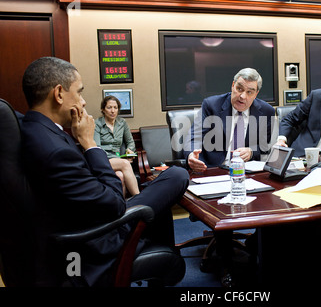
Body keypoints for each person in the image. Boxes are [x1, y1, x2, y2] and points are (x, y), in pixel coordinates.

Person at [20, 57, 190, 286]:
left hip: (90, 218)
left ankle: (156, 257)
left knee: (161, 188)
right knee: (177, 176)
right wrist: (90, 144)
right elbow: (115, 204)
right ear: (59, 94)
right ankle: (157, 258)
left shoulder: (36, 130)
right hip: (99, 236)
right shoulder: (52, 148)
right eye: (79, 93)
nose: (83, 101)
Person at [185, 67, 275, 172]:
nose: (242, 96)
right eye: (239, 89)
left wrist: (251, 152)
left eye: (249, 92)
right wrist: (191, 155)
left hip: (246, 171)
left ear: (256, 94)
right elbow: (195, 136)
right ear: (233, 85)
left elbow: (264, 146)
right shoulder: (212, 105)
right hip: (213, 170)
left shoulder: (266, 111)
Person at [94, 95, 140, 196]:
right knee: (125, 164)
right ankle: (139, 198)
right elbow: (97, 148)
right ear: (103, 109)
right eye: (109, 107)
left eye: (115, 107)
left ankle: (122, 207)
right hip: (102, 160)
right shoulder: (97, 124)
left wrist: (129, 150)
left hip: (117, 159)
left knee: (120, 176)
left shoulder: (122, 123)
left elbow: (130, 142)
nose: (112, 111)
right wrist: (120, 160)